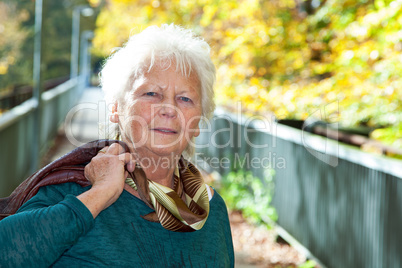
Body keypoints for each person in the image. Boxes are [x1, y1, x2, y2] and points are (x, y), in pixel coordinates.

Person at [0, 24, 234, 267]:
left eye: (185, 99)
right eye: (151, 93)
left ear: (197, 122)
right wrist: (99, 194)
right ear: (115, 108)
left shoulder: (211, 209)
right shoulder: (72, 191)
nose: (169, 109)